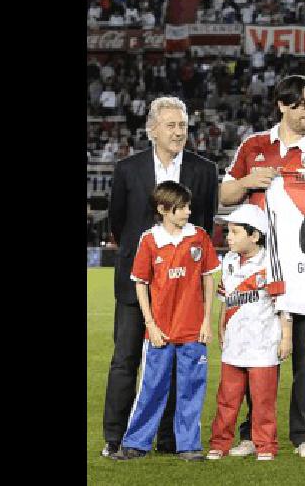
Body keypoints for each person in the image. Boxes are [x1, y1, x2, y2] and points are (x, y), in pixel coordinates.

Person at [219, 74, 305, 459]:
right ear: (282, 105)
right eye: (303, 104)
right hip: (258, 269)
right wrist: (248, 179)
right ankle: (250, 434)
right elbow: (224, 196)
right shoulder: (254, 146)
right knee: (254, 352)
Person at [102, 96, 219, 459]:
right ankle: (116, 437)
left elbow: (205, 222)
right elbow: (117, 222)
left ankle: (170, 440)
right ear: (152, 129)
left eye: (182, 125)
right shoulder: (128, 169)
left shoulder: (203, 170)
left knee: (176, 363)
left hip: (183, 290)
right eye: (170, 125)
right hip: (136, 284)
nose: (178, 131)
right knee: (126, 360)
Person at [112, 181, 222, 461]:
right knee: (151, 387)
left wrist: (206, 321)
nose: (188, 212)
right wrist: (150, 324)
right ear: (162, 209)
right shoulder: (149, 240)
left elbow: (208, 279)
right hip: (160, 332)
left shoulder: (199, 237)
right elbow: (140, 283)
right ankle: (136, 443)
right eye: (181, 207)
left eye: (188, 206)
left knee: (191, 389)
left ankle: (188, 445)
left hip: (193, 330)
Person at [206, 204, 292, 462]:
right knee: (227, 399)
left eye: (234, 232)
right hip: (234, 343)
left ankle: (265, 446)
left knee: (263, 401)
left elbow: (282, 304)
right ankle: (219, 444)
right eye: (227, 231)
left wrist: (286, 337)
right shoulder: (230, 261)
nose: (227, 237)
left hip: (263, 343)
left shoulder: (271, 262)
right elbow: (226, 297)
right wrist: (221, 324)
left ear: (255, 236)